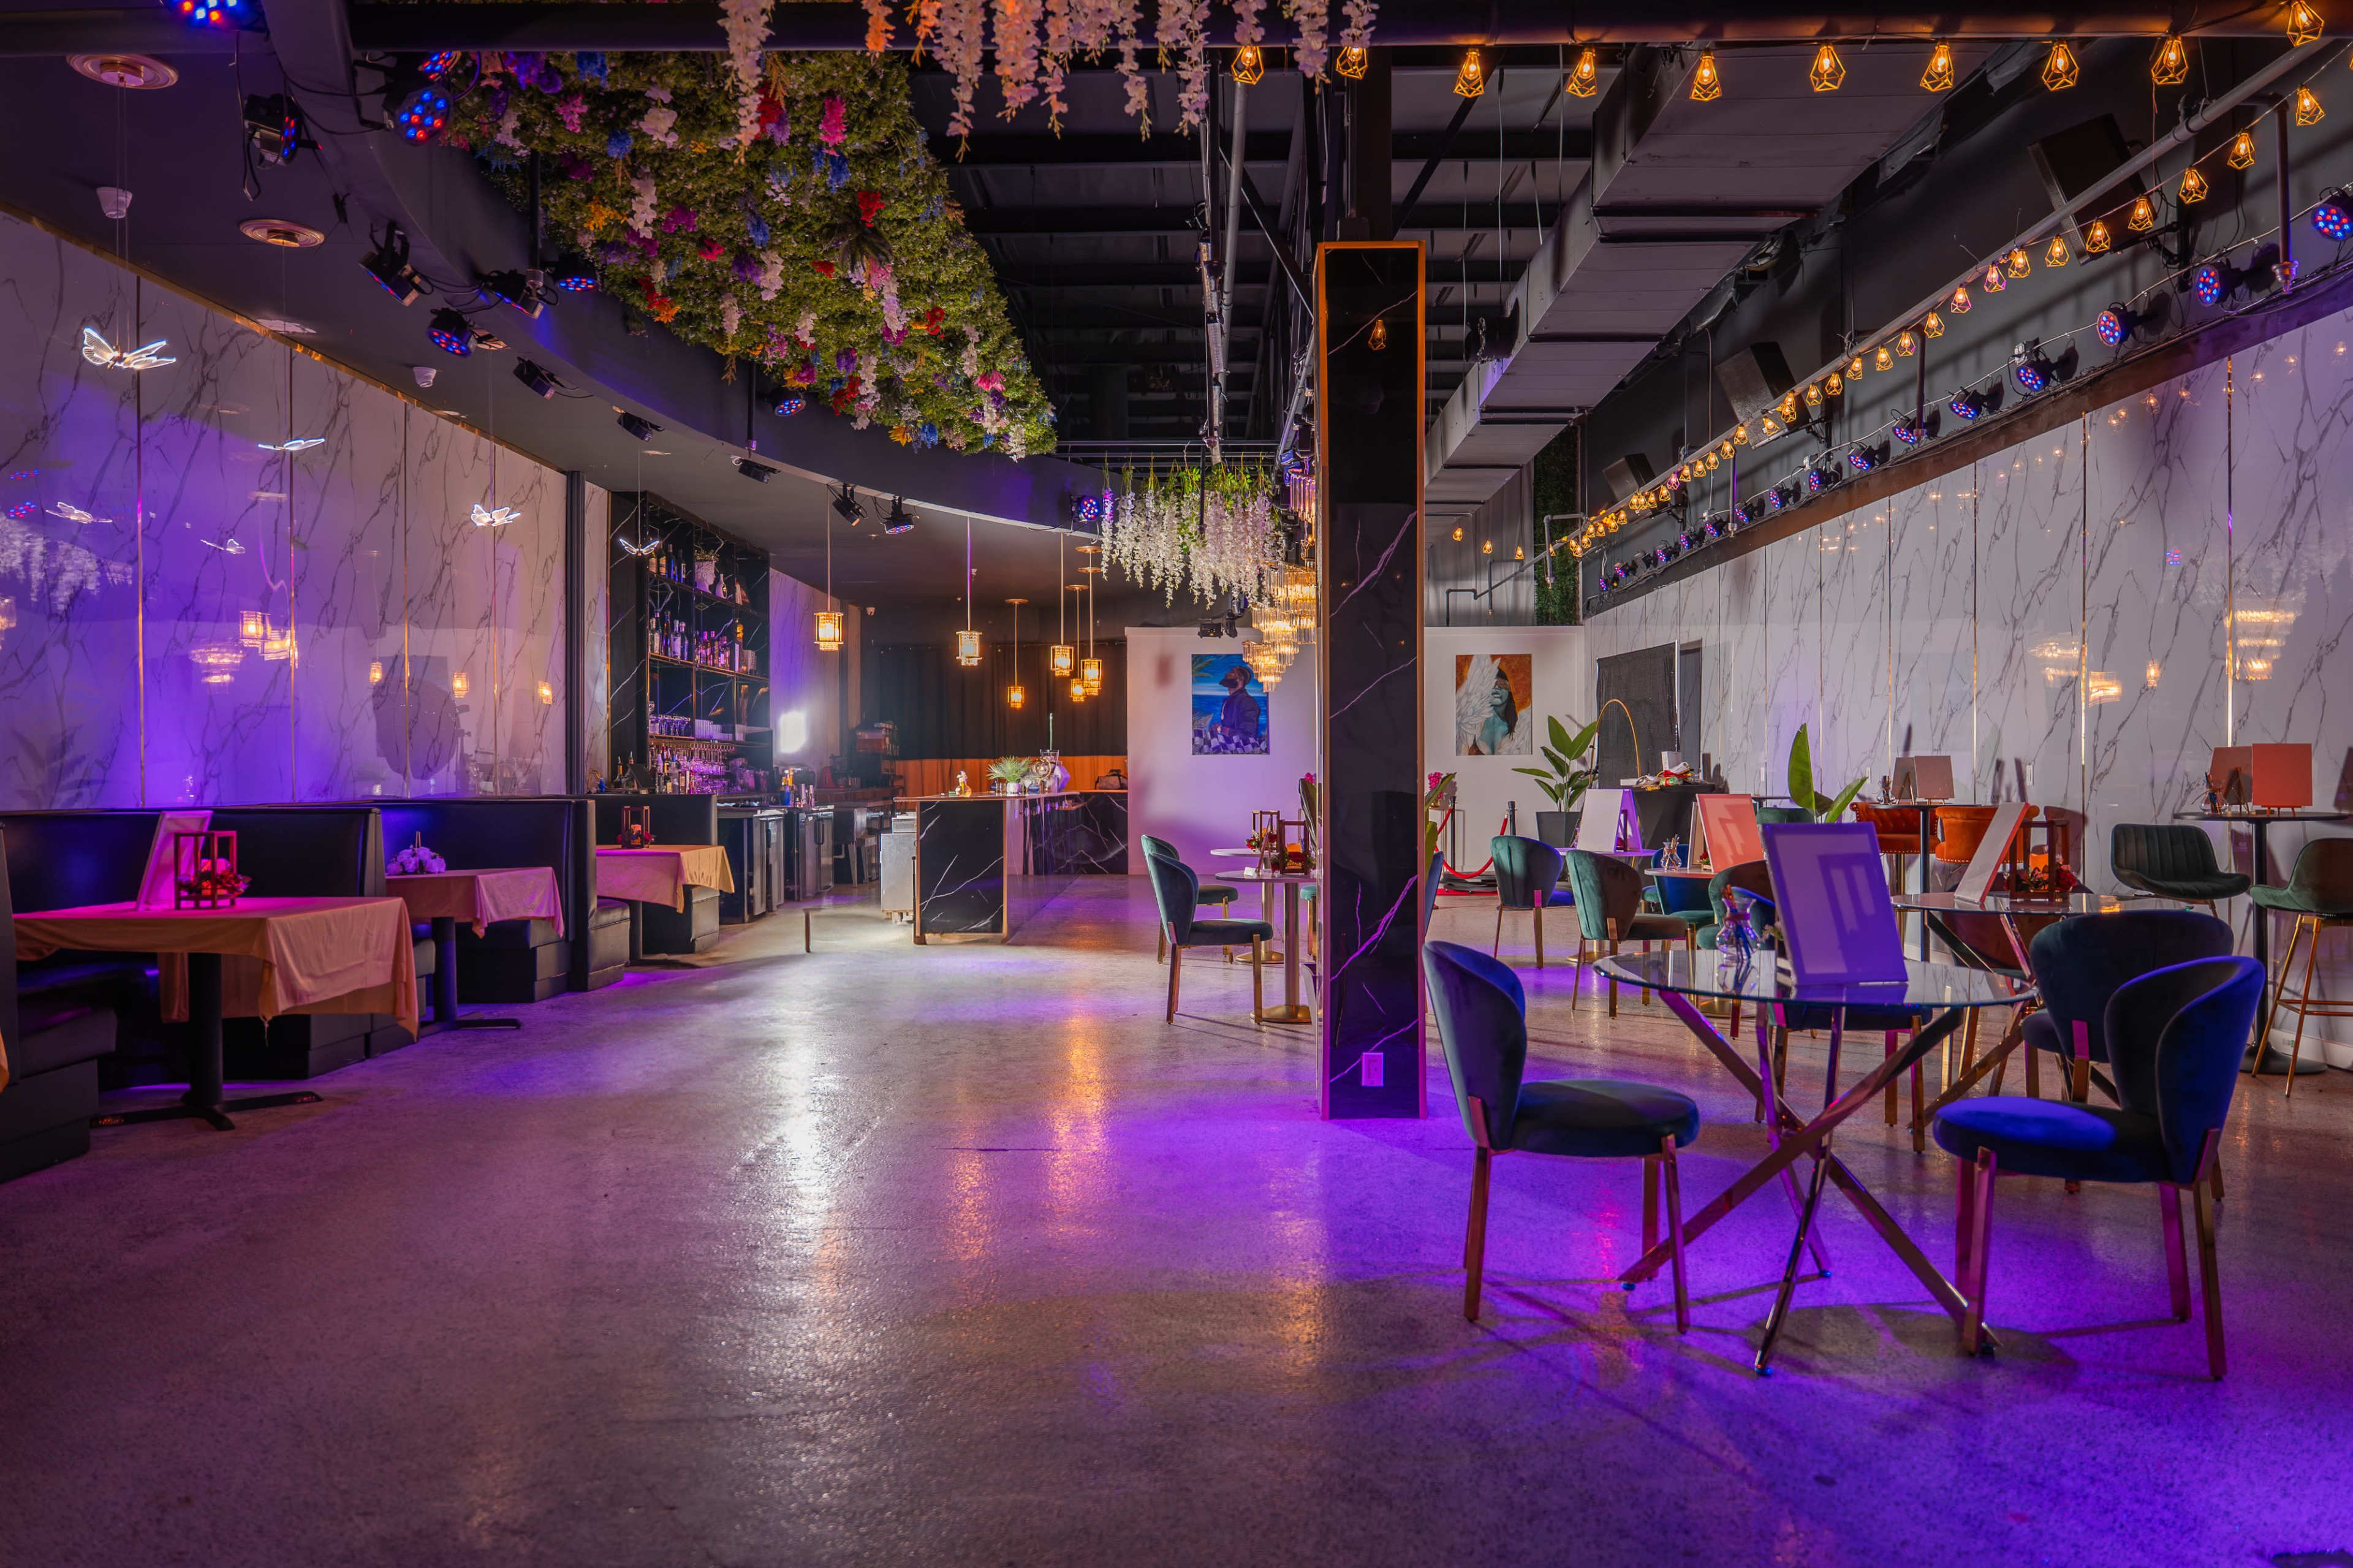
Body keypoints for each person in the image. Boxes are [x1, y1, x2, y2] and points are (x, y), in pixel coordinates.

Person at [1214, 662, 1263, 750]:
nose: (1227, 674)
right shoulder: (1230, 700)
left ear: (1240, 679)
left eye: (1232, 672)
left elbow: (1248, 736)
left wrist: (1221, 729)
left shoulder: (1247, 702)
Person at [1473, 667, 1520, 756]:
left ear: (1509, 690)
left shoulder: (1520, 727)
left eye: (1502, 684)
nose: (1497, 687)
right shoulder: (1472, 727)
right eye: (1492, 684)